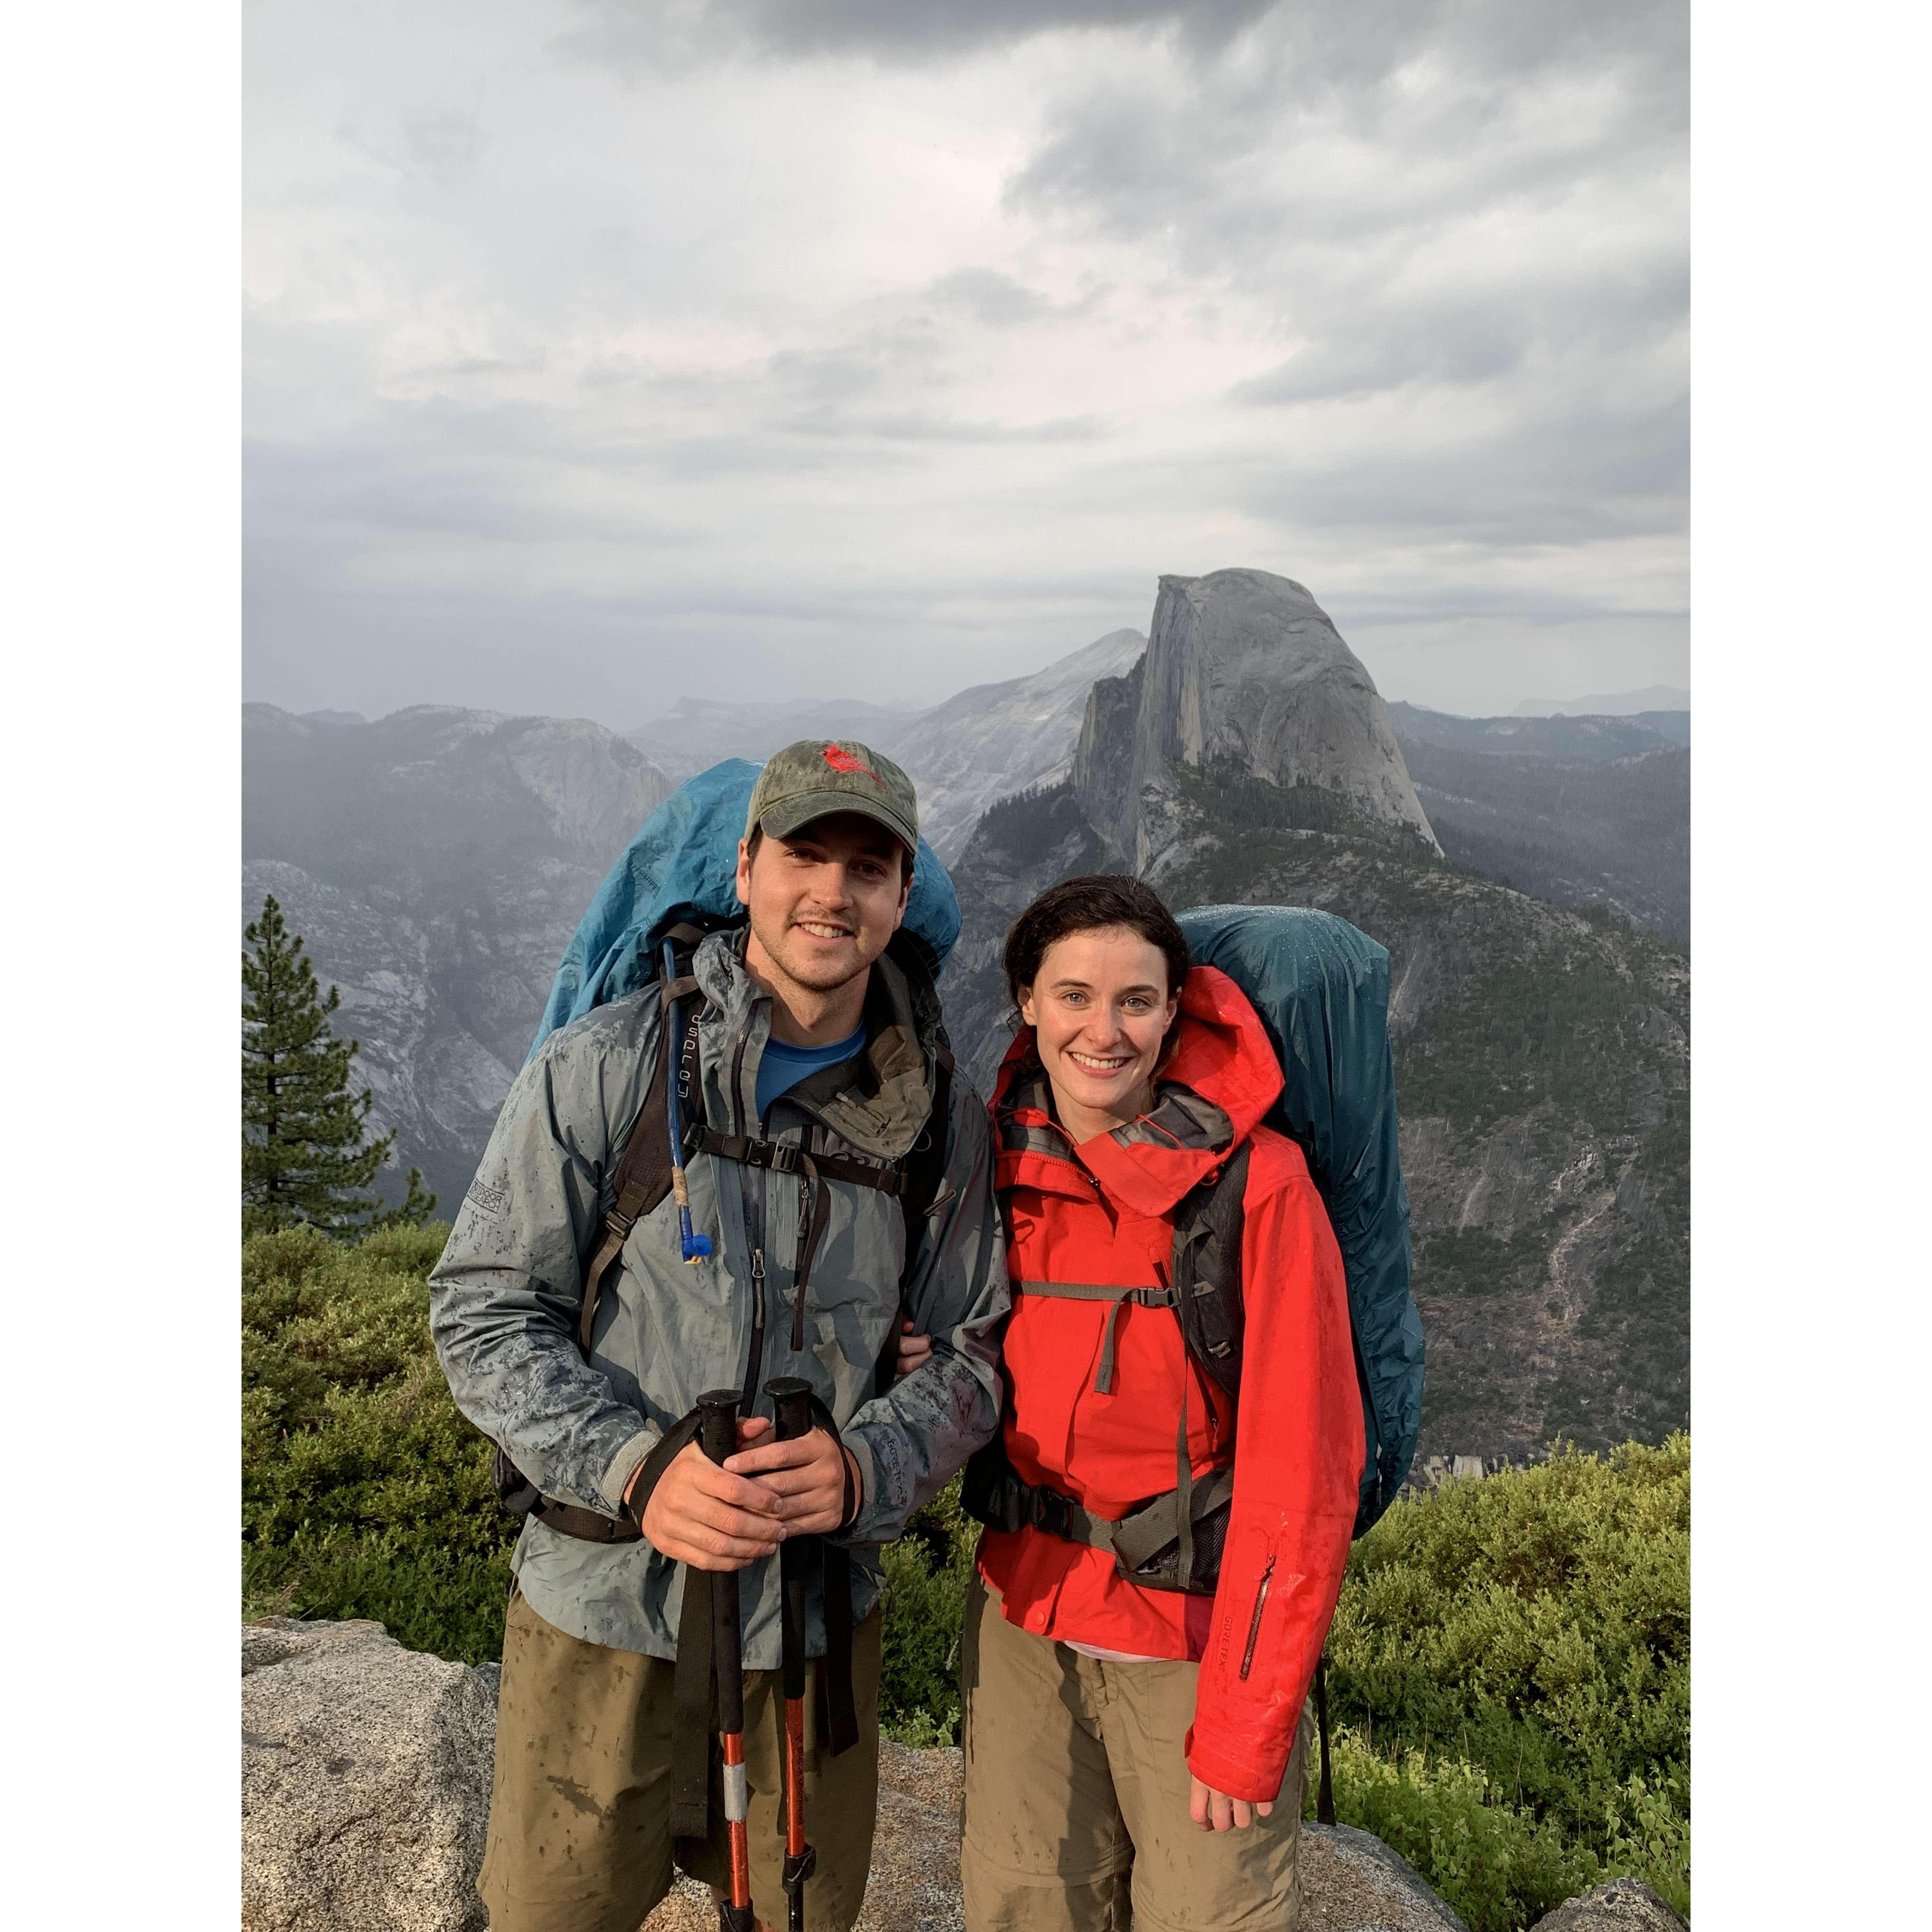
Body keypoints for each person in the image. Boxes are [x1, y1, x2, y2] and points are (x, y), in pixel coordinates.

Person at [430, 739, 1009, 1932]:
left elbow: (975, 1349)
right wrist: (635, 1471)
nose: (832, 894)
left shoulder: (938, 1117)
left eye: (867, 868)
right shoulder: (611, 1066)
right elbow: (483, 1307)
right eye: (805, 855)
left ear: (903, 895)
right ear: (746, 869)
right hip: (605, 1612)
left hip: (812, 1631)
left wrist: (867, 1468)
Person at [917, 873, 1363, 1931]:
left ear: (1175, 1012)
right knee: (1024, 1908)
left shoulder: (1258, 1187)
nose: (1103, 1032)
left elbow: (1303, 1476)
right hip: (1024, 1624)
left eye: (1136, 1001)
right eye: (1074, 996)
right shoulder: (989, 1163)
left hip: (1194, 1649)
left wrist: (1251, 1722)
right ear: (1027, 1002)